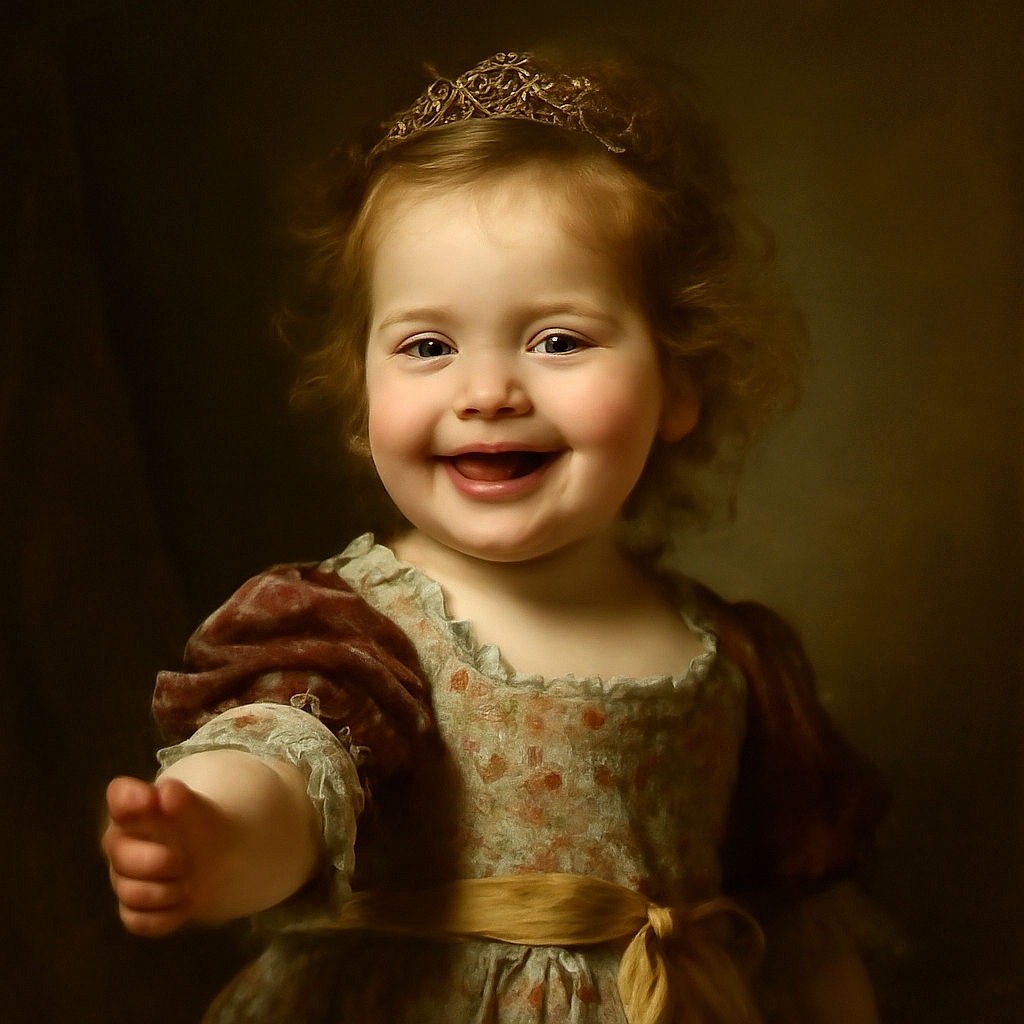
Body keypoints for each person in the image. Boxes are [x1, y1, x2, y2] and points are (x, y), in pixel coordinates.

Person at [102, 50, 889, 1023]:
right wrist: (213, 832)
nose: (486, 393)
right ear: (362, 393)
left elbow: (798, 929)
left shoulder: (736, 662)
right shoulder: (354, 635)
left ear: (678, 378)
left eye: (557, 339)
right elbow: (286, 769)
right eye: (428, 346)